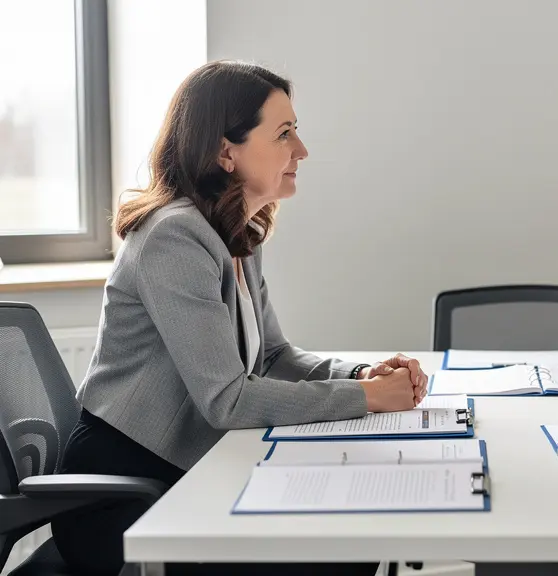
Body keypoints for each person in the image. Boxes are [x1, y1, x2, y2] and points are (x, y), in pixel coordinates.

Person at [51, 61, 426, 575]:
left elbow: (272, 356)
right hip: (129, 500)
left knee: (352, 535)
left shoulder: (236, 233)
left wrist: (359, 375)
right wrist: (365, 399)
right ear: (226, 151)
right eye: (285, 134)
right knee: (342, 550)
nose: (302, 151)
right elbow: (226, 399)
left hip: (188, 474)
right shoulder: (173, 237)